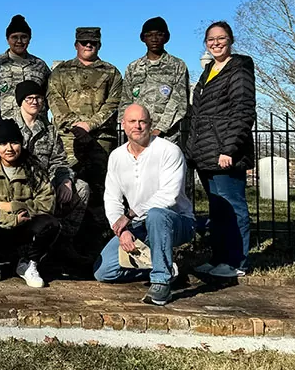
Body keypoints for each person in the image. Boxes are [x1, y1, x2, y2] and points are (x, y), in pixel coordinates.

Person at [93, 104, 196, 305]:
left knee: (157, 214)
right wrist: (120, 230)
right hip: (138, 225)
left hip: (176, 221)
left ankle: (161, 282)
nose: (137, 126)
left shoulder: (169, 151)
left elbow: (169, 196)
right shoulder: (116, 156)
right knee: (104, 271)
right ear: (123, 125)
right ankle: (165, 267)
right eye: (132, 121)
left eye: (142, 122)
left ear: (150, 124)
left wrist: (130, 215)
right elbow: (112, 198)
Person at [186, 21, 256, 279]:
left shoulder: (238, 70)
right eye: (211, 39)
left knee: (234, 207)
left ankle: (237, 261)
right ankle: (219, 259)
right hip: (205, 154)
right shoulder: (208, 72)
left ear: (231, 40)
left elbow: (243, 112)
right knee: (217, 208)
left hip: (225, 153)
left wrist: (229, 149)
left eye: (221, 38)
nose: (216, 43)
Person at [0, 119, 59, 287]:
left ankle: (28, 263)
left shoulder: (33, 166)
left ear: (21, 144)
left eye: (14, 142)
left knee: (51, 224)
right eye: (2, 143)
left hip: (25, 225)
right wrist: (10, 219)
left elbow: (47, 202)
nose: (9, 148)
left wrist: (14, 207)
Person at [47, 26, 123, 226]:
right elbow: (55, 101)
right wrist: (76, 127)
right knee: (69, 187)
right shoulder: (60, 72)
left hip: (101, 140)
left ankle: (99, 238)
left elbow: (113, 103)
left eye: (93, 42)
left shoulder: (111, 72)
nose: (89, 45)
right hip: (69, 139)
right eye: (84, 42)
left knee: (102, 190)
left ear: (99, 44)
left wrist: (89, 125)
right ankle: (66, 236)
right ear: (76, 45)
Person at [13, 80, 89, 262]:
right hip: (15, 186)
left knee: (82, 188)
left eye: (38, 98)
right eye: (29, 98)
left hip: (46, 185)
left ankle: (62, 241)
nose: (34, 102)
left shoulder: (49, 131)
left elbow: (59, 161)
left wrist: (65, 181)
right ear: (20, 101)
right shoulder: (9, 126)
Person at [121, 16, 191, 145]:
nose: (154, 39)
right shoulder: (133, 67)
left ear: (166, 38)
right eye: (149, 35)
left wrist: (159, 129)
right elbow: (126, 101)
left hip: (167, 136)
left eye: (159, 35)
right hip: (137, 135)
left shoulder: (177, 65)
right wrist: (129, 128)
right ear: (143, 38)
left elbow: (180, 101)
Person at [0, 14, 51, 129]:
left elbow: (50, 96)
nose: (19, 41)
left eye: (24, 37)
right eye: (14, 37)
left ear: (29, 39)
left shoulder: (40, 65)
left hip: (36, 128)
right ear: (7, 39)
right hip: (4, 127)